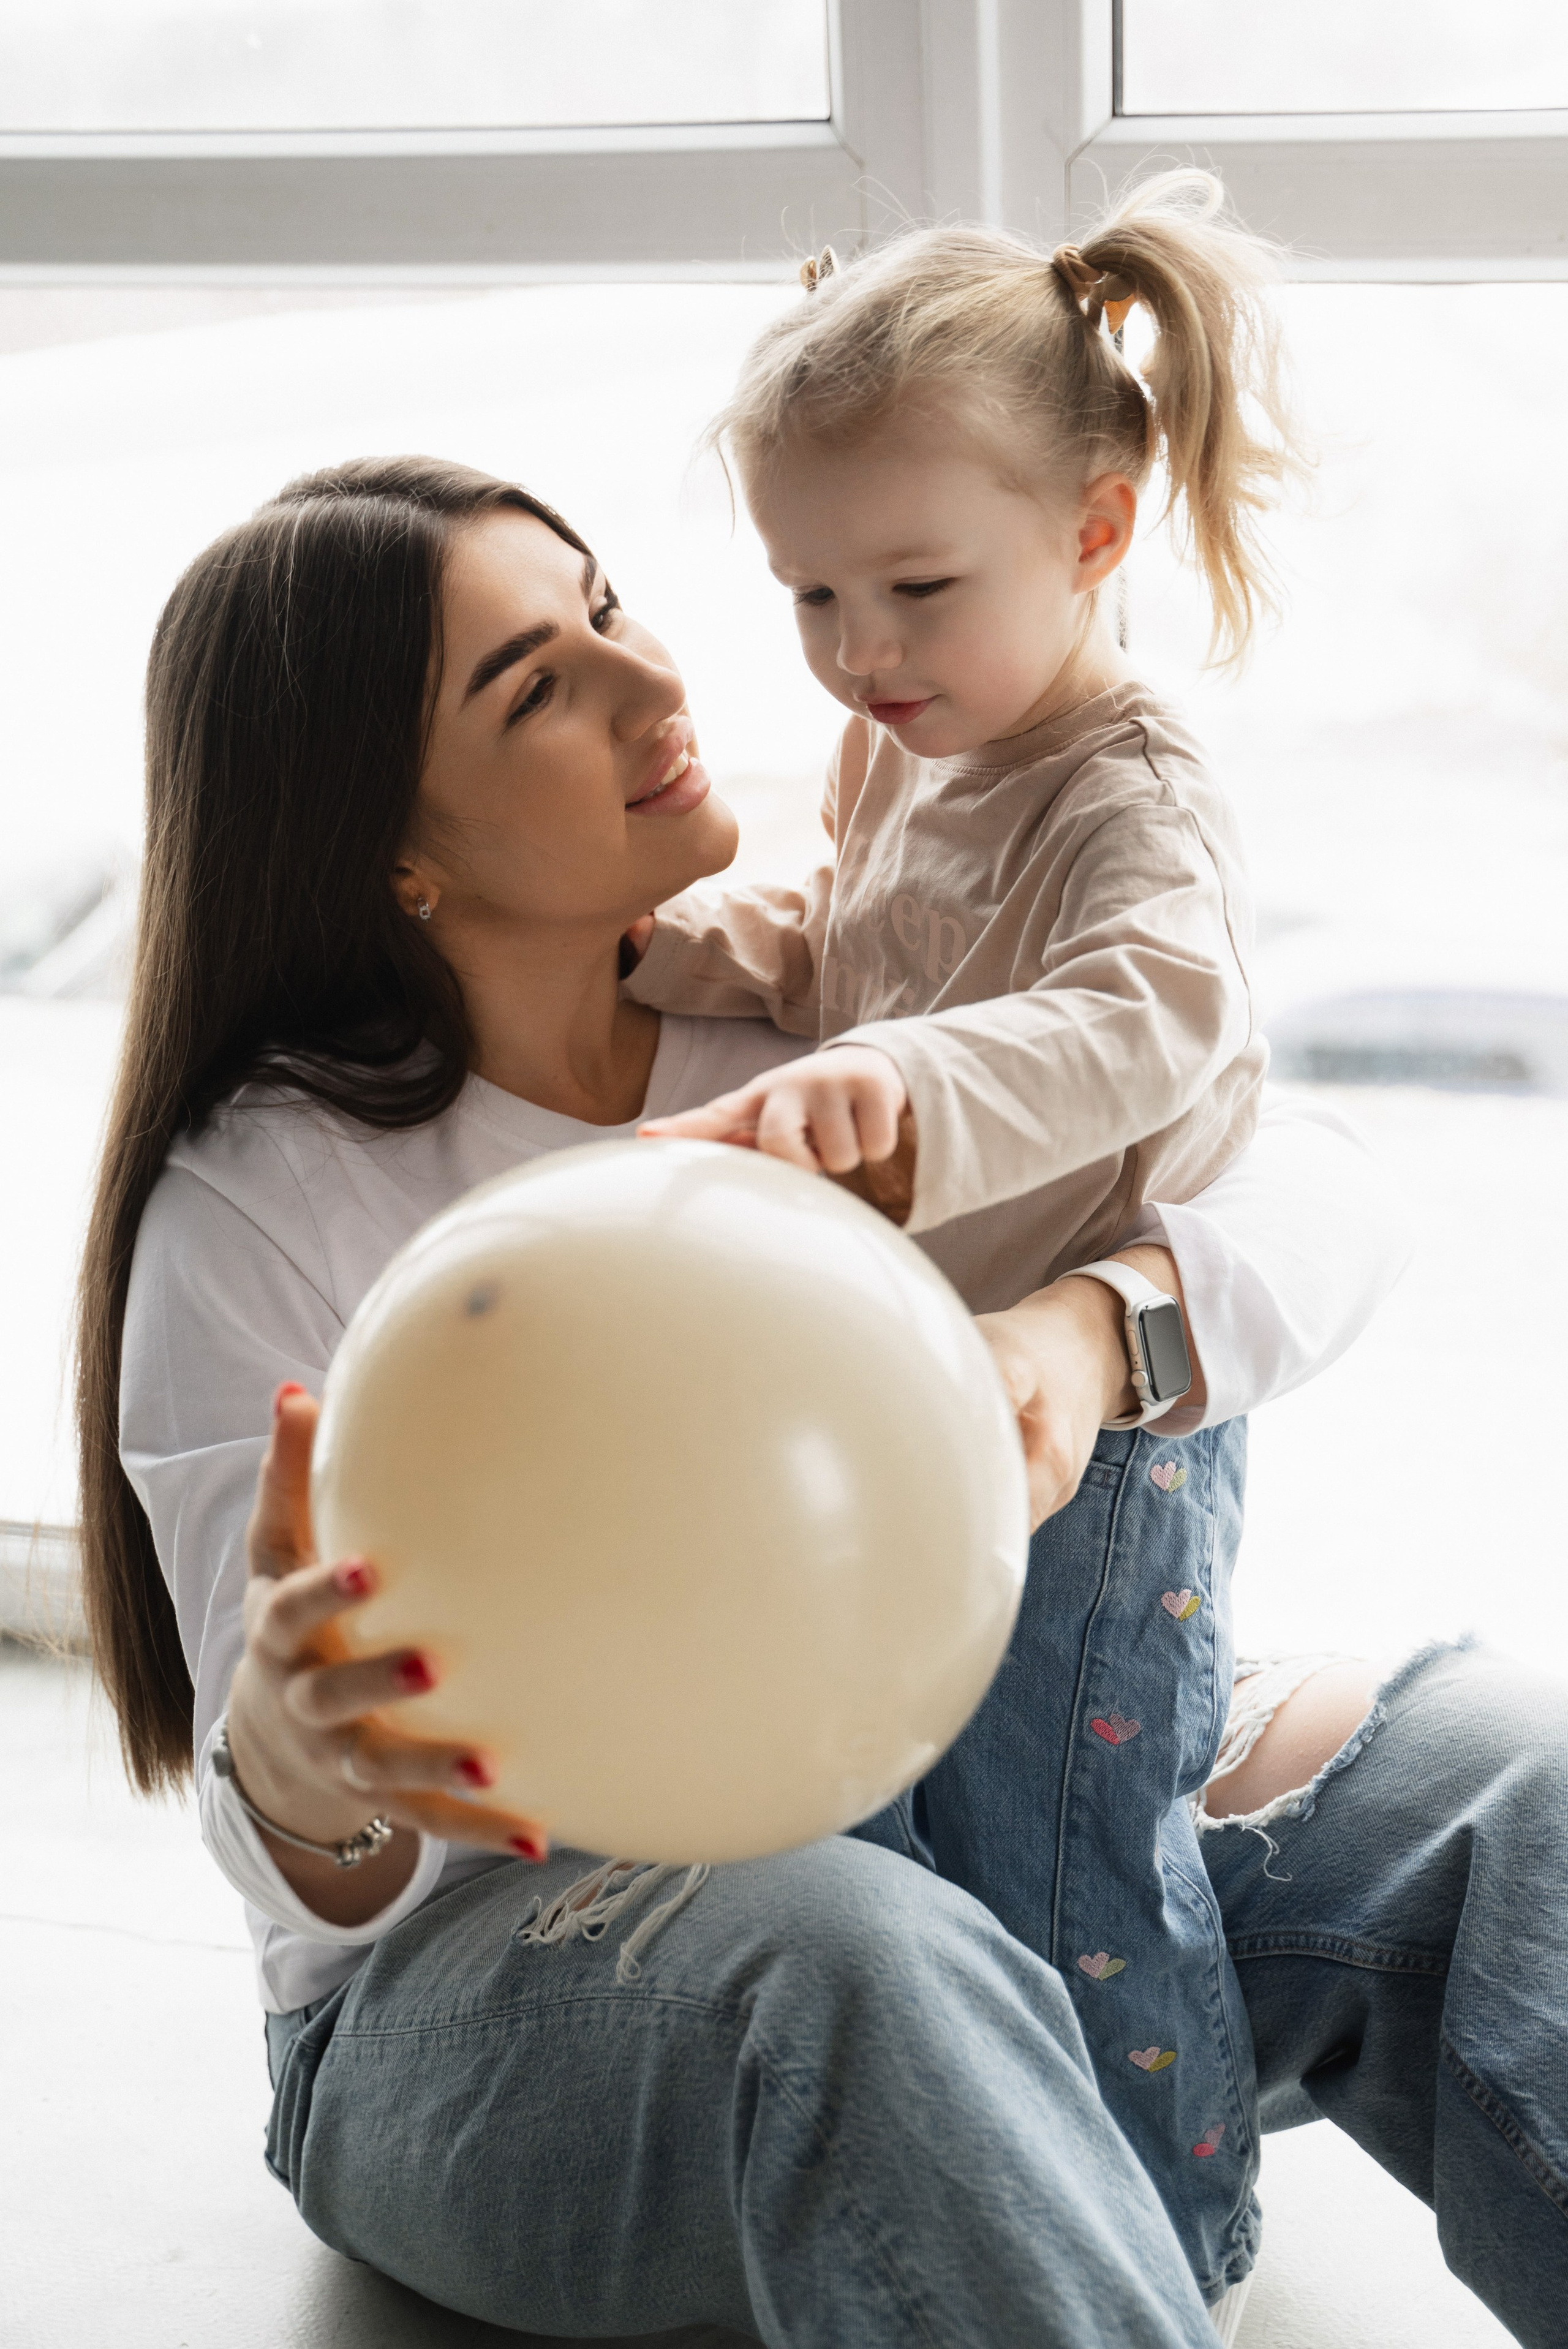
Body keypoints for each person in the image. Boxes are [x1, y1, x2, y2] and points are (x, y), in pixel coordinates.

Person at [77, 458, 1561, 2345]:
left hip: (958, 1824)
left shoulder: (822, 1022)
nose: (652, 683)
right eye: (537, 687)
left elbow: (1319, 1179)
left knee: (1507, 1780)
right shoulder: (261, 1193)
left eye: (608, 608)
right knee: (863, 1955)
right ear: (391, 853)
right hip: (489, 1978)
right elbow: (323, 1878)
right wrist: (305, 1770)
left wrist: (1088, 1333)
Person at [627, 168, 1303, 2290]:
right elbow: (856, 931)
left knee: (1071, 1862)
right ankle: (961, 2206)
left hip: (1089, 1457)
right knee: (888, 1827)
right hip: (907, 1405)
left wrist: (909, 1085)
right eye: (811, 596)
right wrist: (713, 948)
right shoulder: (897, 740)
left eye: (916, 587)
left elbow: (1153, 1017)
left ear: (1096, 532)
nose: (862, 652)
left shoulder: (1130, 788)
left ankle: (1165, 2239)